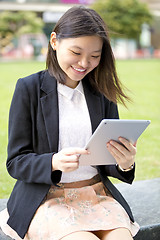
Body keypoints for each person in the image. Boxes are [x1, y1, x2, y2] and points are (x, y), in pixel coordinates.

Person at [0, 6, 140, 240]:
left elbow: (106, 162)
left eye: (95, 56)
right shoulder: (29, 89)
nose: (84, 63)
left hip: (97, 195)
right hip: (47, 200)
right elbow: (16, 162)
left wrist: (125, 163)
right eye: (76, 52)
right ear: (54, 41)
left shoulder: (102, 92)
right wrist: (53, 162)